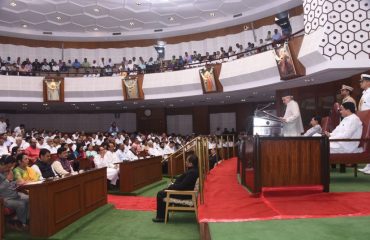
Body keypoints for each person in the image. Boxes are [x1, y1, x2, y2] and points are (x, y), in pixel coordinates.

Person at [152, 154, 199, 223]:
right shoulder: (194, 170)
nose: (185, 162)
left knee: (160, 194)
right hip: (185, 191)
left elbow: (182, 186)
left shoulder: (192, 172)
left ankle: (161, 217)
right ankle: (163, 214)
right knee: (163, 191)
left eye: (186, 161)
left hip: (185, 194)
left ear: (191, 164)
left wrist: (171, 186)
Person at [0, 155, 29, 230]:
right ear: (3, 164)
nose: (9, 169)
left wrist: (16, 183)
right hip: (4, 199)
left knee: (29, 199)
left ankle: (20, 220)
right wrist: (7, 180)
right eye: (8, 167)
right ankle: (22, 224)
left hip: (13, 195)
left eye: (10, 167)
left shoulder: (7, 171)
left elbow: (10, 185)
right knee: (21, 204)